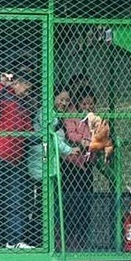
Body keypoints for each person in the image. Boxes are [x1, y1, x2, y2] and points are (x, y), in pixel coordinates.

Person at [0, 72, 34, 249]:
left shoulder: (25, 104)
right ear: (17, 83)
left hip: (16, 158)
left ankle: (14, 240)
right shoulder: (2, 95)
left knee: (16, 200)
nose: (28, 92)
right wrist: (1, 85)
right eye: (26, 88)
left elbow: (28, 129)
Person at [26, 89, 80, 247]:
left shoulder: (56, 114)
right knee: (41, 201)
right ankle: (38, 239)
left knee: (46, 201)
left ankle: (44, 238)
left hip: (48, 160)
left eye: (67, 100)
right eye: (61, 99)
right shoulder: (47, 112)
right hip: (41, 159)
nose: (64, 103)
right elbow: (51, 137)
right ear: (53, 97)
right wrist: (69, 150)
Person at [61, 85, 97, 251]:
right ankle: (68, 237)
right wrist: (83, 140)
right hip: (71, 163)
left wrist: (91, 141)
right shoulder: (72, 115)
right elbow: (71, 133)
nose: (87, 107)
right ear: (78, 103)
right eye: (84, 104)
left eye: (91, 104)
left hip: (87, 162)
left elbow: (98, 133)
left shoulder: (94, 119)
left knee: (86, 200)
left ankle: (83, 237)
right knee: (71, 200)